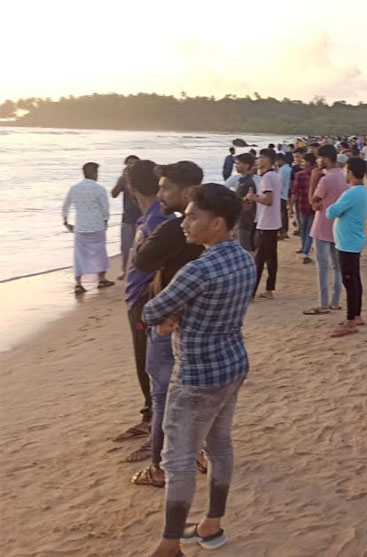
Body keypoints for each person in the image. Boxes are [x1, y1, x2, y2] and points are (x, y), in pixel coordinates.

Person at [143, 183, 257, 557]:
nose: (184, 223)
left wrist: (170, 315)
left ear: (217, 223)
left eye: (193, 217)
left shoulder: (198, 270)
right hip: (232, 366)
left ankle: (169, 544)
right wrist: (175, 313)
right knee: (220, 445)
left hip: (197, 379)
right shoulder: (244, 259)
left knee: (178, 459)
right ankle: (212, 523)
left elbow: (151, 310)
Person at [128, 160, 206, 487]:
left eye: (166, 188)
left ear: (188, 191)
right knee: (195, 390)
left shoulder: (174, 228)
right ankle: (197, 450)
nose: (160, 194)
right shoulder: (214, 227)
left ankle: (159, 467)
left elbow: (141, 260)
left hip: (170, 320)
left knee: (163, 392)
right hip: (201, 319)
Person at [116, 160, 160, 457]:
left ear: (132, 188)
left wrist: (147, 294)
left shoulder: (158, 219)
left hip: (145, 302)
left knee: (150, 364)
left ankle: (155, 422)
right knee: (143, 361)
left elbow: (165, 264)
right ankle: (148, 416)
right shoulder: (149, 217)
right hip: (137, 300)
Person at [326, 157, 367, 337]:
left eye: (345, 170)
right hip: (352, 240)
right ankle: (356, 315)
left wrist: (331, 205)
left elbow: (332, 212)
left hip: (348, 243)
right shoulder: (361, 191)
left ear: (350, 172)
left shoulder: (352, 193)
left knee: (349, 281)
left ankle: (351, 320)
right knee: (354, 279)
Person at [306, 146, 347, 316]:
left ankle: (323, 303)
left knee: (322, 266)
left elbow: (313, 200)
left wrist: (313, 179)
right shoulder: (343, 175)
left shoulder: (326, 179)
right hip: (337, 225)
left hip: (322, 224)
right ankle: (335, 301)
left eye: (319, 158)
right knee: (337, 266)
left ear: (326, 159)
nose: (318, 161)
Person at [63, 162, 113, 294]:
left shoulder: (74, 188)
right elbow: (105, 209)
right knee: (99, 253)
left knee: (79, 255)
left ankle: (78, 283)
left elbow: (66, 206)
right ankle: (101, 279)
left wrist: (66, 221)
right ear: (94, 173)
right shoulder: (99, 189)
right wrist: (105, 222)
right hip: (97, 226)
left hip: (81, 227)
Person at [246, 149, 282, 300]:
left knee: (259, 259)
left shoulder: (267, 177)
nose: (258, 160)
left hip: (266, 223)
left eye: (260, 158)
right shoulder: (274, 175)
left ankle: (251, 293)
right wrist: (254, 198)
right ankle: (269, 289)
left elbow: (268, 200)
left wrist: (253, 197)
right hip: (273, 222)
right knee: (271, 257)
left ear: (267, 160)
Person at [112, 155, 141, 279]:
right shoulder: (123, 179)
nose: (131, 165)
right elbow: (114, 194)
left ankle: (137, 269)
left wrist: (130, 183)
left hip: (141, 217)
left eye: (134, 163)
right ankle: (124, 270)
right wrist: (121, 180)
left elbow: (139, 198)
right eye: (129, 163)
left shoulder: (142, 180)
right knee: (125, 246)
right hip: (127, 217)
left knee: (140, 246)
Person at [291, 153, 317, 264]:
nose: (301, 163)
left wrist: (290, 206)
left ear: (308, 162)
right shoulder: (319, 174)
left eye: (303, 161)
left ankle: (304, 249)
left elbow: (295, 192)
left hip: (301, 205)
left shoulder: (299, 175)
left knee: (303, 228)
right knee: (310, 229)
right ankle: (305, 252)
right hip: (314, 206)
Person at [232, 153, 257, 252]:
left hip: (244, 220)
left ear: (246, 166)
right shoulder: (243, 181)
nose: (236, 165)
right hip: (242, 219)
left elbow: (245, 203)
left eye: (238, 163)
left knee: (243, 247)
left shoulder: (247, 183)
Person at [275, 153, 291, 240]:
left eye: (277, 161)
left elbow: (280, 183)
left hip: (281, 194)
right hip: (284, 194)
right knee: (284, 213)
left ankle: (282, 231)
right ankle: (284, 231)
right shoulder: (287, 169)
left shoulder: (283, 170)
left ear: (280, 160)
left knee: (281, 214)